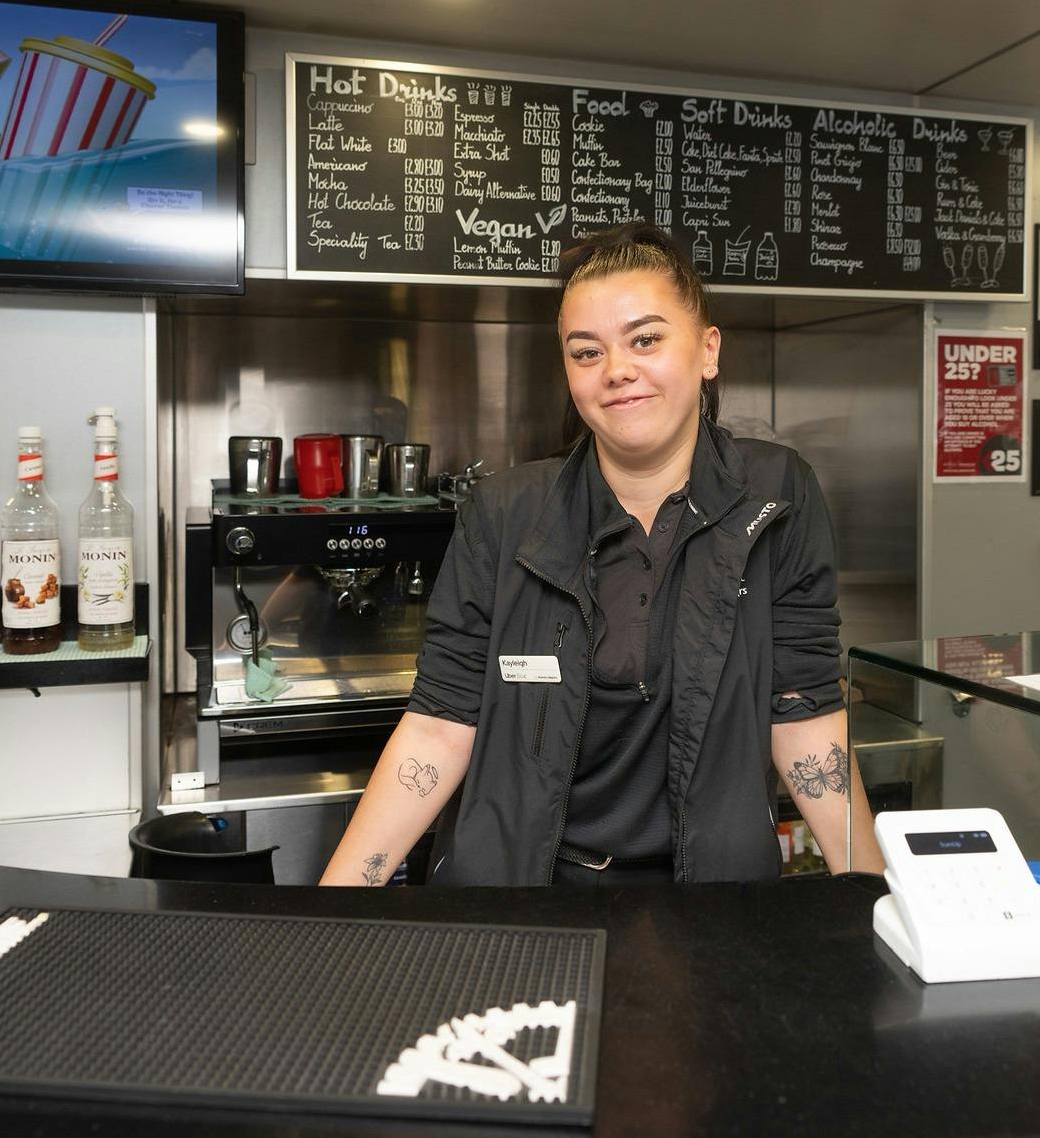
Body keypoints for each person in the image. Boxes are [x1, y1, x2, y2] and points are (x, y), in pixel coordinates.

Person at [320, 223, 884, 887]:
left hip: (715, 903)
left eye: (645, 340)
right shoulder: (504, 512)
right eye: (586, 353)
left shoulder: (775, 495)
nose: (616, 370)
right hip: (522, 898)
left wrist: (872, 900)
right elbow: (438, 726)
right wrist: (342, 907)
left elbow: (805, 713)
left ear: (707, 351)